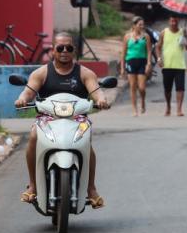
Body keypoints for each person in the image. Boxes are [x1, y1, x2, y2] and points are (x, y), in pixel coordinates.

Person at [16, 32, 111, 208]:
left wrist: (101, 100)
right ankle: (33, 185)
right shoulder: (42, 72)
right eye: (60, 48)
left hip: (78, 119)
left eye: (69, 48)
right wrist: (22, 99)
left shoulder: (85, 73)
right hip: (48, 119)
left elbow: (96, 91)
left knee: (86, 142)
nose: (64, 51)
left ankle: (91, 188)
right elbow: (28, 92)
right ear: (53, 50)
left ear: (74, 50)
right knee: (33, 136)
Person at [156, 15, 187, 116]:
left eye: (175, 21)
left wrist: (185, 36)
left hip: (179, 65)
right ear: (169, 21)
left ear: (178, 21)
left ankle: (179, 109)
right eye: (172, 21)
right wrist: (159, 58)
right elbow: (158, 47)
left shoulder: (182, 32)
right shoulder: (164, 32)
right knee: (167, 89)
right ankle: (168, 106)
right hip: (167, 65)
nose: (173, 23)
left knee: (180, 88)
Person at [122, 17, 152, 116]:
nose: (141, 27)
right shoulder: (127, 37)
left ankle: (143, 100)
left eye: (143, 25)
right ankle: (134, 109)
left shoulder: (146, 36)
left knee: (142, 87)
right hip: (130, 62)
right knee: (133, 86)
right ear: (134, 25)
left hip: (142, 62)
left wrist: (148, 63)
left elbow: (148, 51)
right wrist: (122, 68)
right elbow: (123, 53)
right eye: (139, 25)